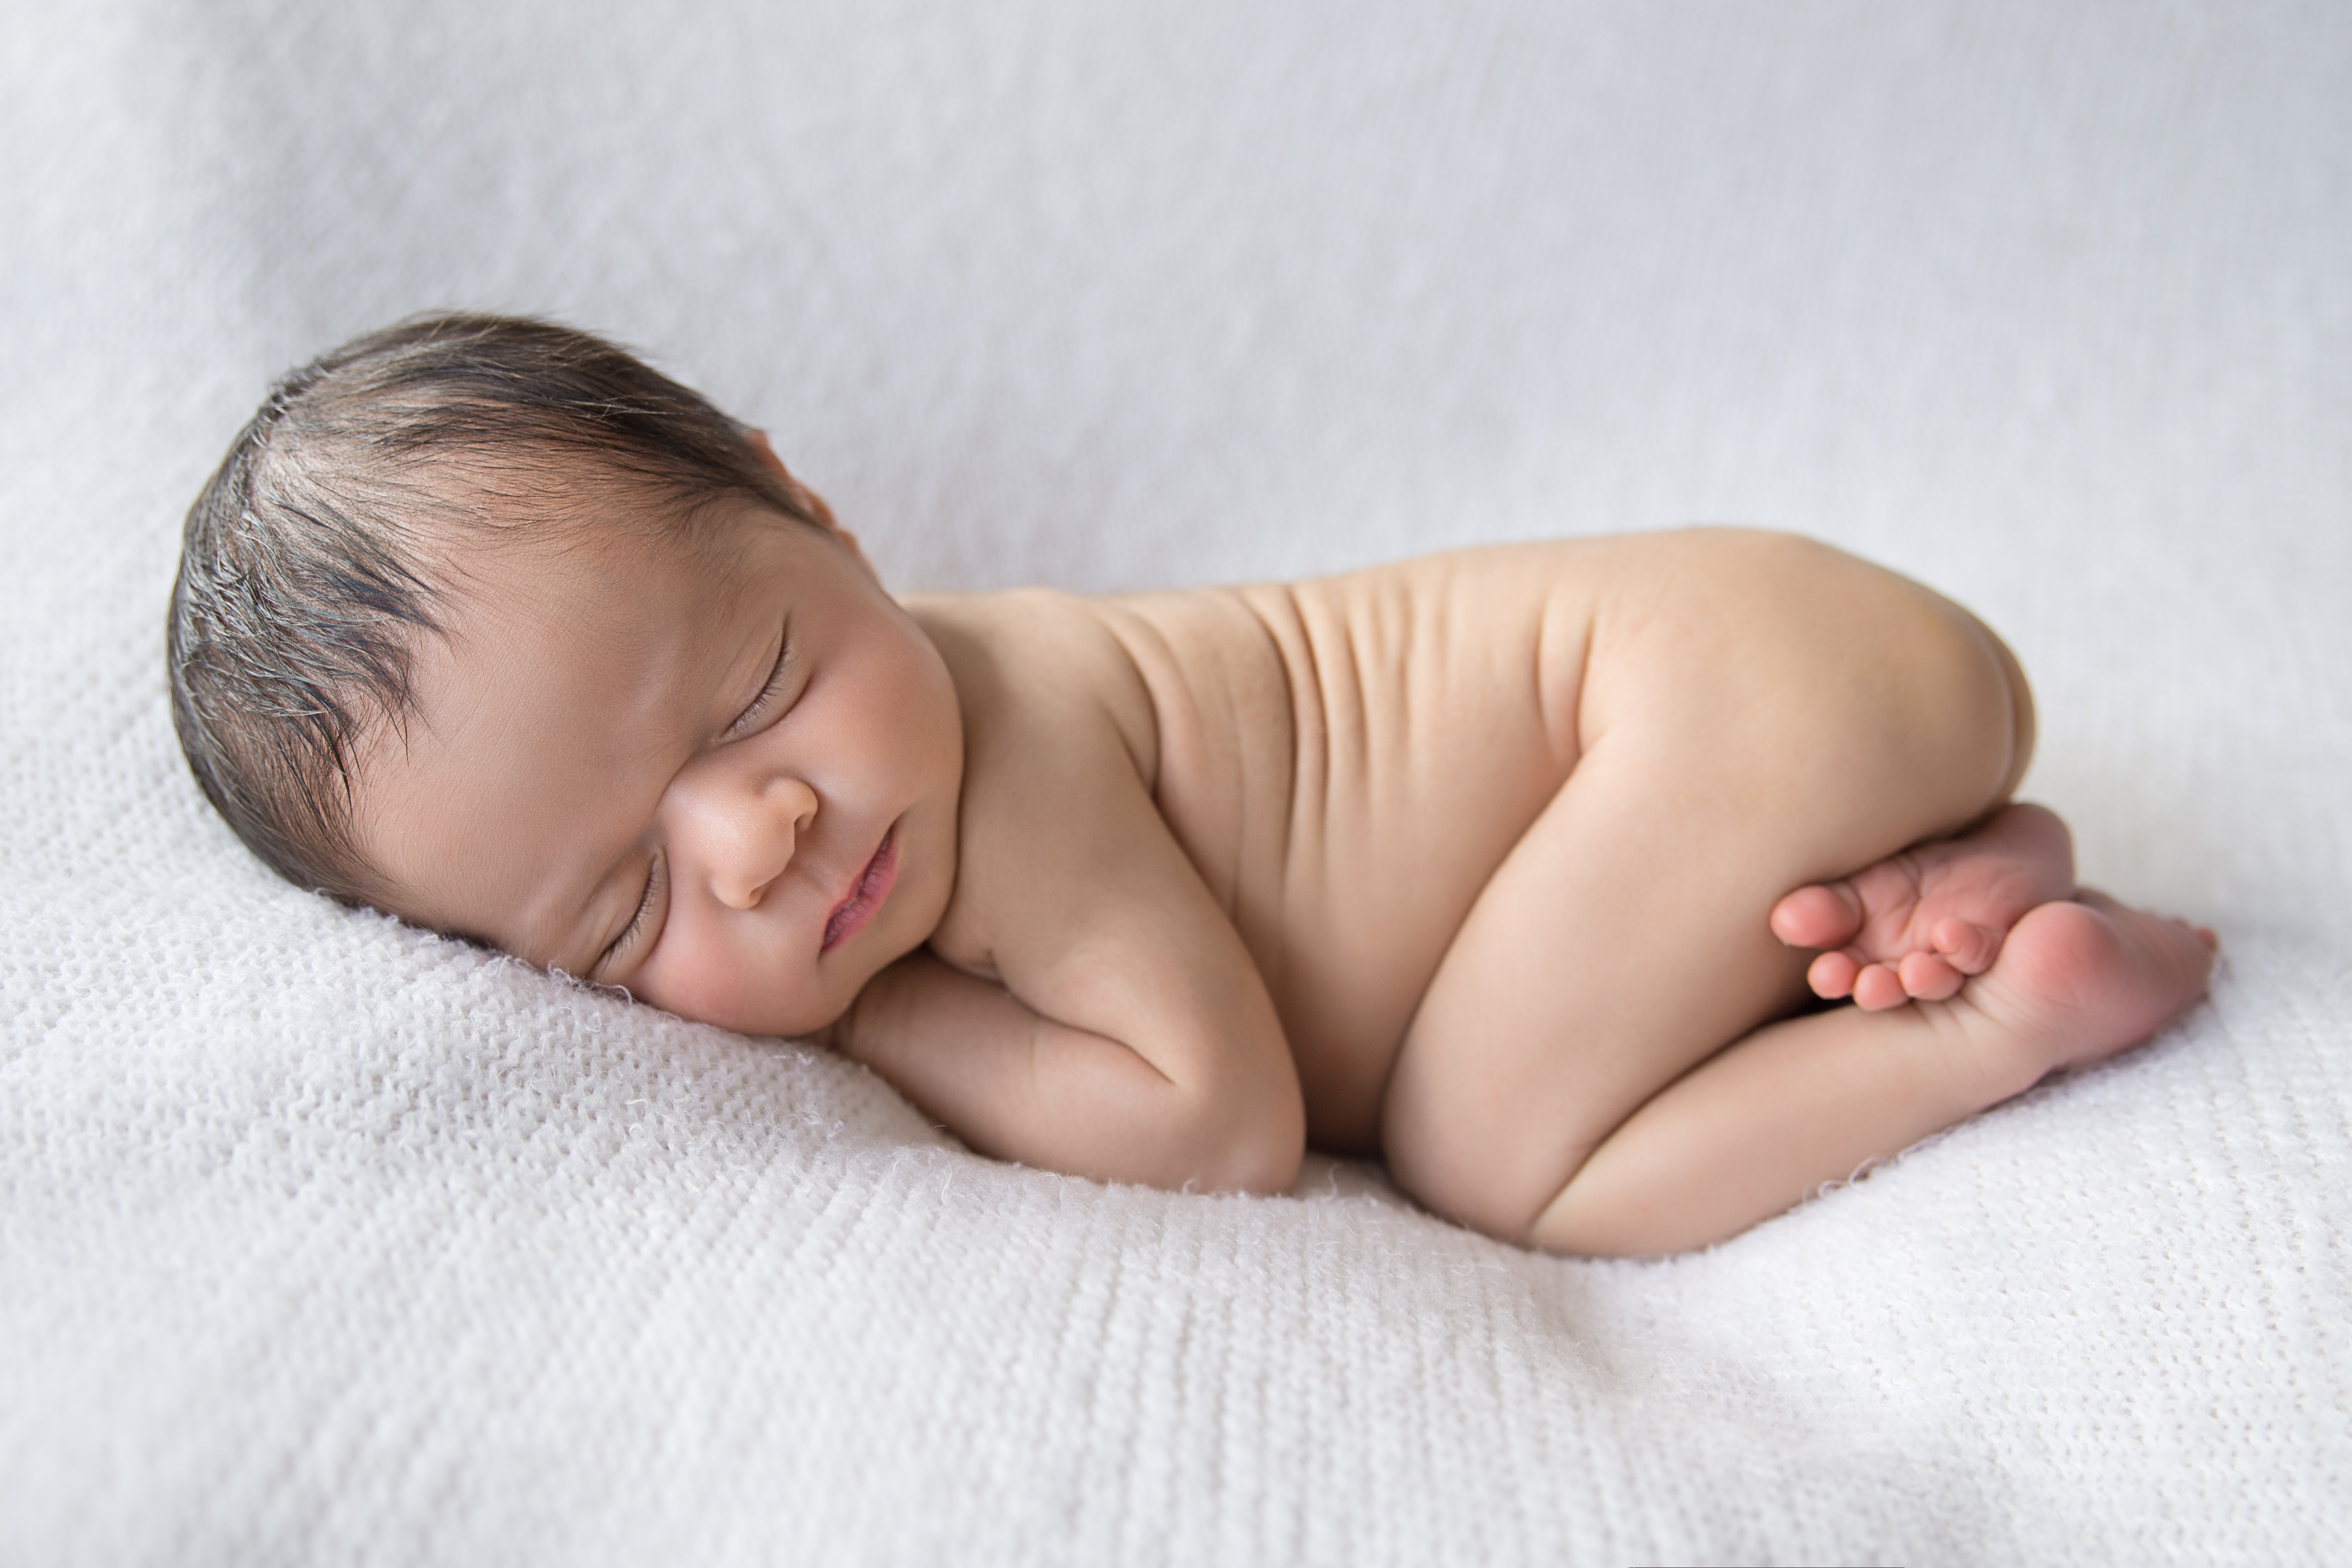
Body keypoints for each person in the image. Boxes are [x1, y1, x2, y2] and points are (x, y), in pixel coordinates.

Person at [168, 313, 2215, 1256]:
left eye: (754, 695)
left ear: (818, 514)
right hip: (1775, 732)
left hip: (1720, 689)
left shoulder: (1012, 746)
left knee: (1502, 1160)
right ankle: (1917, 876)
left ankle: (1999, 1019)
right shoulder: (883, 775)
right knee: (1562, 1016)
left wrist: (890, 1012)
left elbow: (1218, 1122)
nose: (759, 839)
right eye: (624, 913)